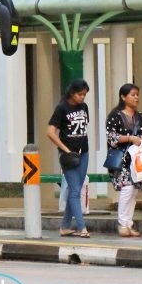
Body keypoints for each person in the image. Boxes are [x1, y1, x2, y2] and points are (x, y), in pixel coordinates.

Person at [47, 79, 91, 238]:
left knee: (77, 189)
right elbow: (50, 132)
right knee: (74, 190)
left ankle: (65, 226)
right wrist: (65, 150)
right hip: (68, 155)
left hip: (83, 151)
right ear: (72, 93)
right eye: (80, 94)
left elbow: (84, 129)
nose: (82, 98)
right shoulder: (61, 108)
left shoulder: (84, 107)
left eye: (85, 95)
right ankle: (82, 227)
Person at [106, 83, 142, 237]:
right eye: (132, 94)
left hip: (137, 162)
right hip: (121, 160)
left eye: (137, 94)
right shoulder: (115, 116)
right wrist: (130, 138)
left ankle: (128, 225)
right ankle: (122, 224)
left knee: (134, 192)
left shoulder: (141, 117)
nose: (136, 97)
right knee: (127, 189)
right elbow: (111, 138)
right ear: (123, 97)